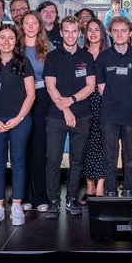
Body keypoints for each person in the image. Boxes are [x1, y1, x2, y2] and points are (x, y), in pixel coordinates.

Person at [0, 25, 36, 228]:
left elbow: (31, 94)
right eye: (2, 37)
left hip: (20, 120)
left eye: (10, 38)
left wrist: (19, 118)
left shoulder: (23, 62)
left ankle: (17, 206)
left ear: (16, 41)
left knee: (18, 162)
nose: (6, 41)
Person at [43, 16, 95, 219]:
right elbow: (50, 86)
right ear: (61, 32)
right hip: (57, 116)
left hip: (82, 115)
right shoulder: (52, 57)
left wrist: (71, 101)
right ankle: (53, 201)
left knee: (77, 160)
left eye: (74, 31)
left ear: (79, 33)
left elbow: (90, 86)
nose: (71, 35)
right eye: (67, 31)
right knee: (52, 159)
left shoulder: (87, 56)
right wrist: (65, 109)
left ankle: (71, 198)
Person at [97, 16, 132, 197]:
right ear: (110, 33)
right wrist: (116, 101)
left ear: (130, 33)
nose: (119, 34)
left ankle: (129, 189)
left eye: (124, 31)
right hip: (109, 115)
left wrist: (129, 102)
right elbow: (101, 87)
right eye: (115, 31)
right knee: (110, 157)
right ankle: (110, 190)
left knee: (131, 156)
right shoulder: (103, 57)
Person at [20, 10, 52, 213]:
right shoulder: (15, 46)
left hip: (41, 99)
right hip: (18, 99)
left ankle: (40, 195)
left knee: (39, 147)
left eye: (34, 23)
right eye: (27, 23)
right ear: (22, 25)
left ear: (39, 26)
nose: (31, 27)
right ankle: (25, 195)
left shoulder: (48, 47)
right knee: (23, 148)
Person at [80, 18, 108, 204]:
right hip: (83, 103)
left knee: (104, 145)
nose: (93, 33)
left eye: (97, 29)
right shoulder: (80, 55)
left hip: (105, 104)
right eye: (90, 29)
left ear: (102, 33)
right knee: (86, 145)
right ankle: (89, 186)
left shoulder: (109, 55)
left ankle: (100, 187)